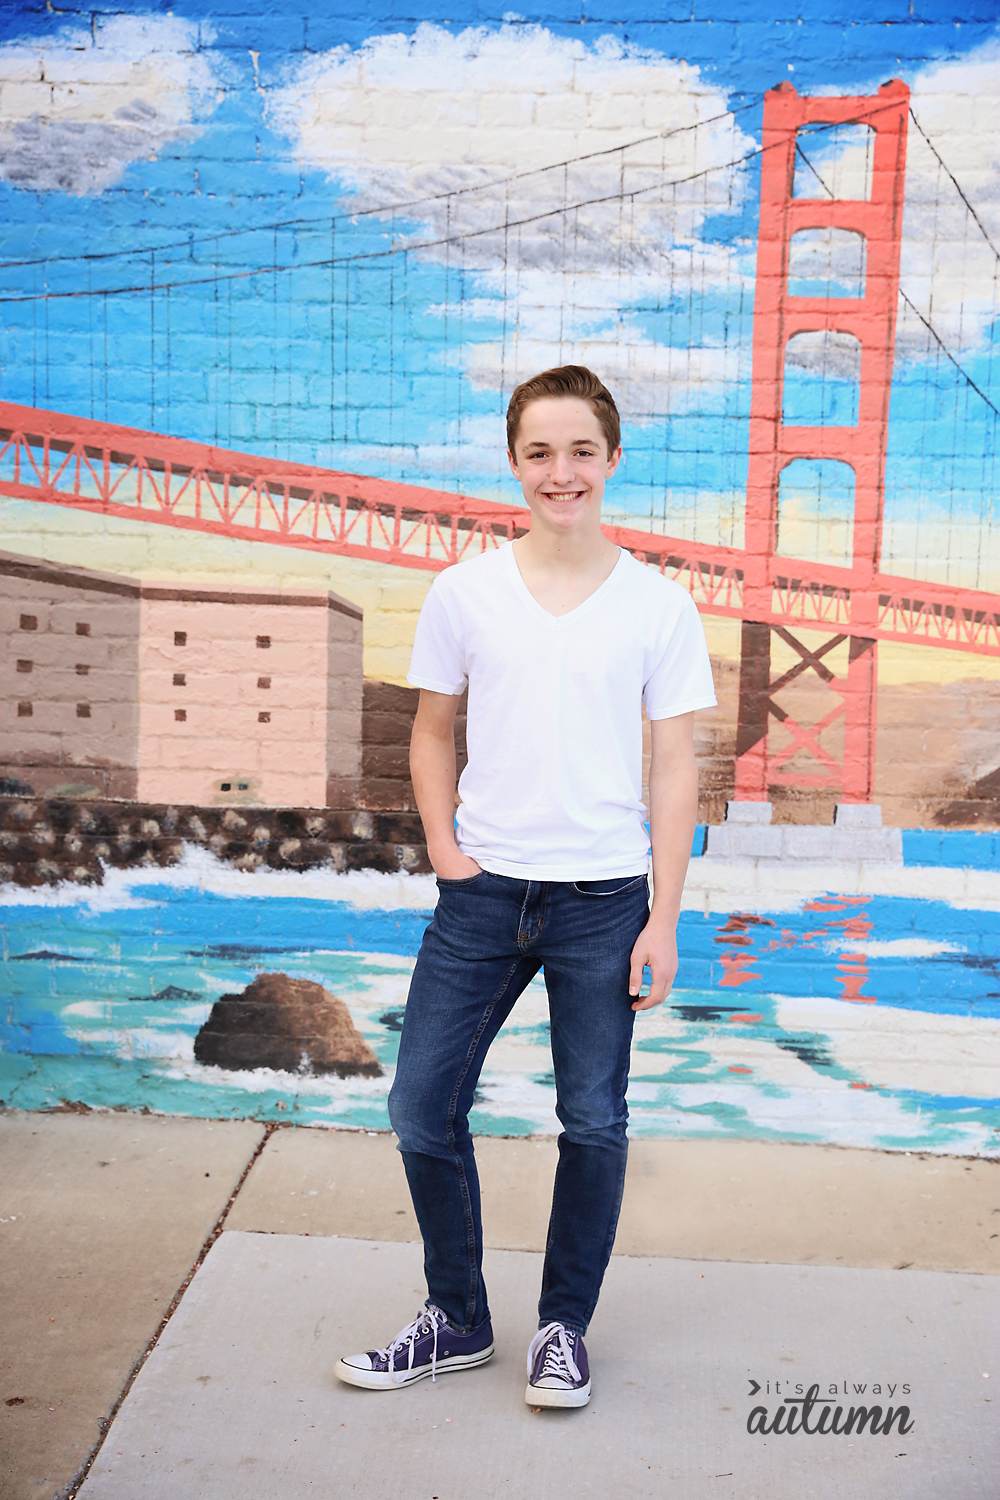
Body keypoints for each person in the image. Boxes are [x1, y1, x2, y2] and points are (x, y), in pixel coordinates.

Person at [335, 365, 716, 1408]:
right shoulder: (464, 592)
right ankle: (456, 1318)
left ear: (612, 460)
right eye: (539, 452)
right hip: (483, 897)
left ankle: (563, 1329)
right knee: (421, 1109)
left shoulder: (659, 603)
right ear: (513, 463)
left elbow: (676, 764)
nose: (561, 472)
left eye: (580, 451)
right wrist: (448, 854)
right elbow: (429, 733)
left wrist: (664, 918)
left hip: (603, 904)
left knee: (591, 1120)